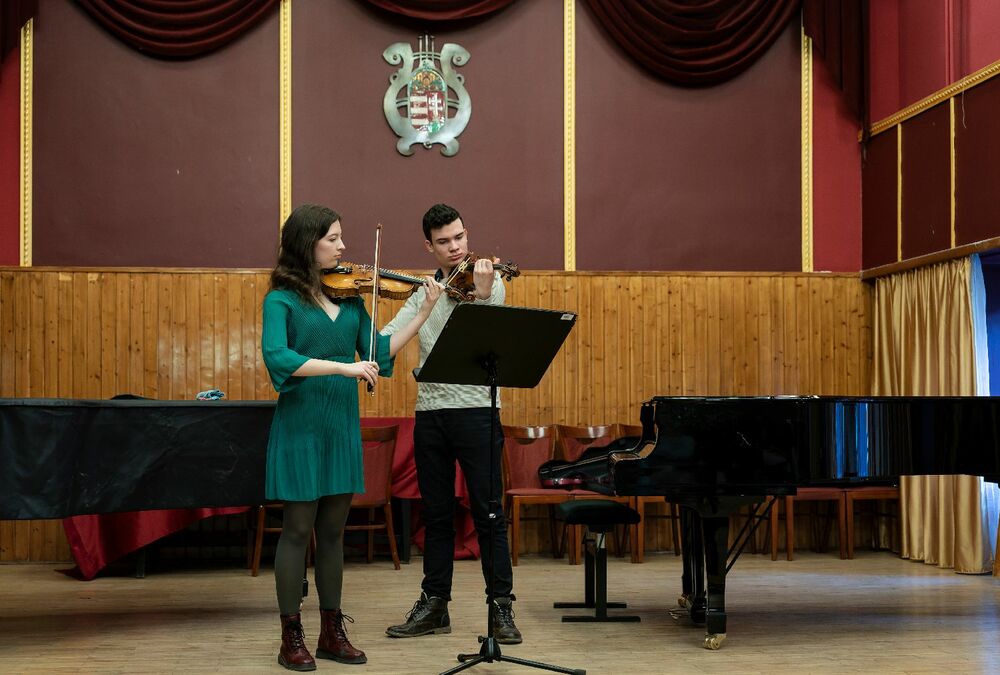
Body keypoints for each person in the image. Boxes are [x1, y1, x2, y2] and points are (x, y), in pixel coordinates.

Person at [261, 203, 440, 671]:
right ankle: (290, 635)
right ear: (308, 243)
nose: (344, 248)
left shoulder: (353, 300)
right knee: (298, 530)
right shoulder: (281, 299)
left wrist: (421, 313)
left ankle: (331, 631)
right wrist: (344, 367)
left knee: (333, 533)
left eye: (342, 238)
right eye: (334, 239)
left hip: (340, 426)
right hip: (301, 426)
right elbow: (279, 358)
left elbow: (377, 352)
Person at [381, 203, 522, 645]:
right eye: (444, 242)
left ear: (466, 234)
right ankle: (434, 604)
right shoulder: (423, 291)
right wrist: (423, 305)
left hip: (478, 411)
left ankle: (501, 608)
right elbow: (385, 341)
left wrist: (480, 293)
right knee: (437, 514)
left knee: (489, 513)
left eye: (459, 237)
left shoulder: (490, 282)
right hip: (430, 414)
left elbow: (486, 332)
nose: (454, 246)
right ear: (430, 246)